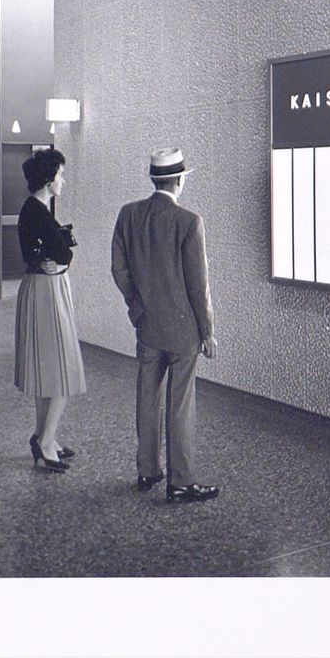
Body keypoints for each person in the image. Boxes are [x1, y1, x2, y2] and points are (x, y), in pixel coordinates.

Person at [110, 147, 219, 503]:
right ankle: (181, 481)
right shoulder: (189, 222)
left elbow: (120, 269)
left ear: (154, 178)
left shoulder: (128, 215)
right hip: (184, 329)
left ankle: (147, 470)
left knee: (147, 397)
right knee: (180, 404)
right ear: (179, 180)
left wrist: (137, 308)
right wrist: (207, 330)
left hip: (147, 327)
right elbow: (197, 285)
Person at [13, 147, 85, 472]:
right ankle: (46, 441)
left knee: (46, 371)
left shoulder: (34, 208)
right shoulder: (38, 212)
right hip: (47, 291)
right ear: (49, 179)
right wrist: (61, 246)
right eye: (60, 175)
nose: (63, 180)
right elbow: (63, 254)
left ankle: (45, 437)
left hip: (41, 288)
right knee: (62, 370)